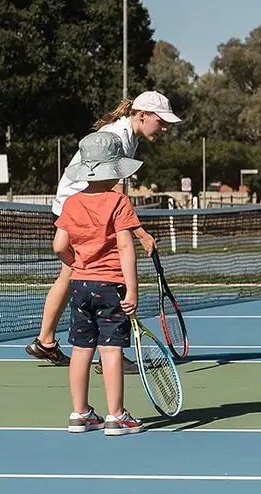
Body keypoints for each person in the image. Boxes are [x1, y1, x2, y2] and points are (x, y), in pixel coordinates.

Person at [25, 91, 180, 370]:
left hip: (80, 204)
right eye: (162, 121)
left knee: (72, 271)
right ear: (142, 115)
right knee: (110, 270)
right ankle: (112, 355)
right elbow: (115, 190)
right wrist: (140, 233)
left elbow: (117, 185)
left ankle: (45, 340)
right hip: (84, 205)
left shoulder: (128, 136)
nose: (165, 127)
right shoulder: (118, 136)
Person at [53, 131, 146, 436]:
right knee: (111, 350)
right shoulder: (119, 202)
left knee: (81, 349)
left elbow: (59, 245)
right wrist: (131, 288)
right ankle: (116, 416)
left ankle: (79, 413)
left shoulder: (72, 204)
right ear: (116, 169)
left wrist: (76, 262)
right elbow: (125, 247)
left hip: (79, 286)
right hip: (111, 287)